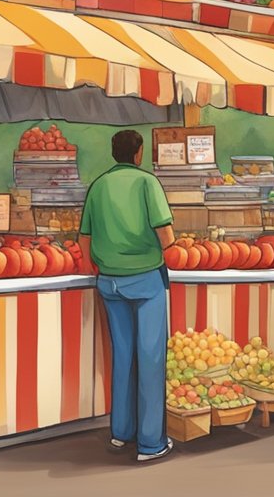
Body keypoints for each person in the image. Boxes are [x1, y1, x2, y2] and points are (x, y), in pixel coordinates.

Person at [79, 130, 174, 461]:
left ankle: (121, 431)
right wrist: (173, 249)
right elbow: (166, 235)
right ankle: (151, 443)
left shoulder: (99, 186)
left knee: (123, 356)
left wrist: (101, 268)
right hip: (145, 280)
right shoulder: (148, 183)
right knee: (150, 358)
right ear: (139, 153)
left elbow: (84, 239)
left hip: (109, 283)